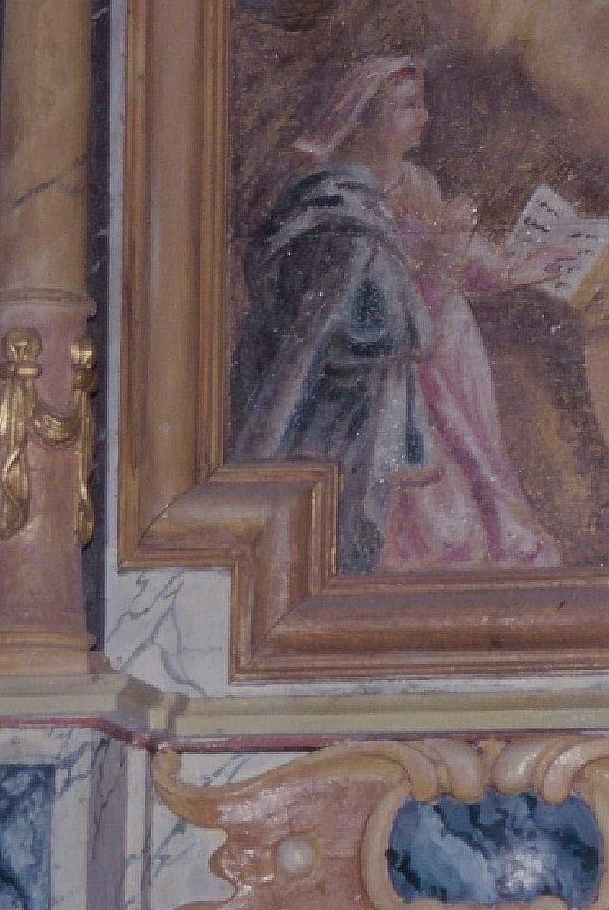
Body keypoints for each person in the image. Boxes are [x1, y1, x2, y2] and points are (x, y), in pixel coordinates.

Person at [229, 56, 569, 573]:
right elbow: (384, 298)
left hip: (449, 352)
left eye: (421, 104)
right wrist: (442, 250)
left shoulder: (417, 185)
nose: (424, 117)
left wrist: (516, 269)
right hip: (405, 365)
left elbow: (464, 265)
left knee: (476, 462)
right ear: (364, 118)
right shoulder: (339, 200)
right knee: (430, 500)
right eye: (407, 106)